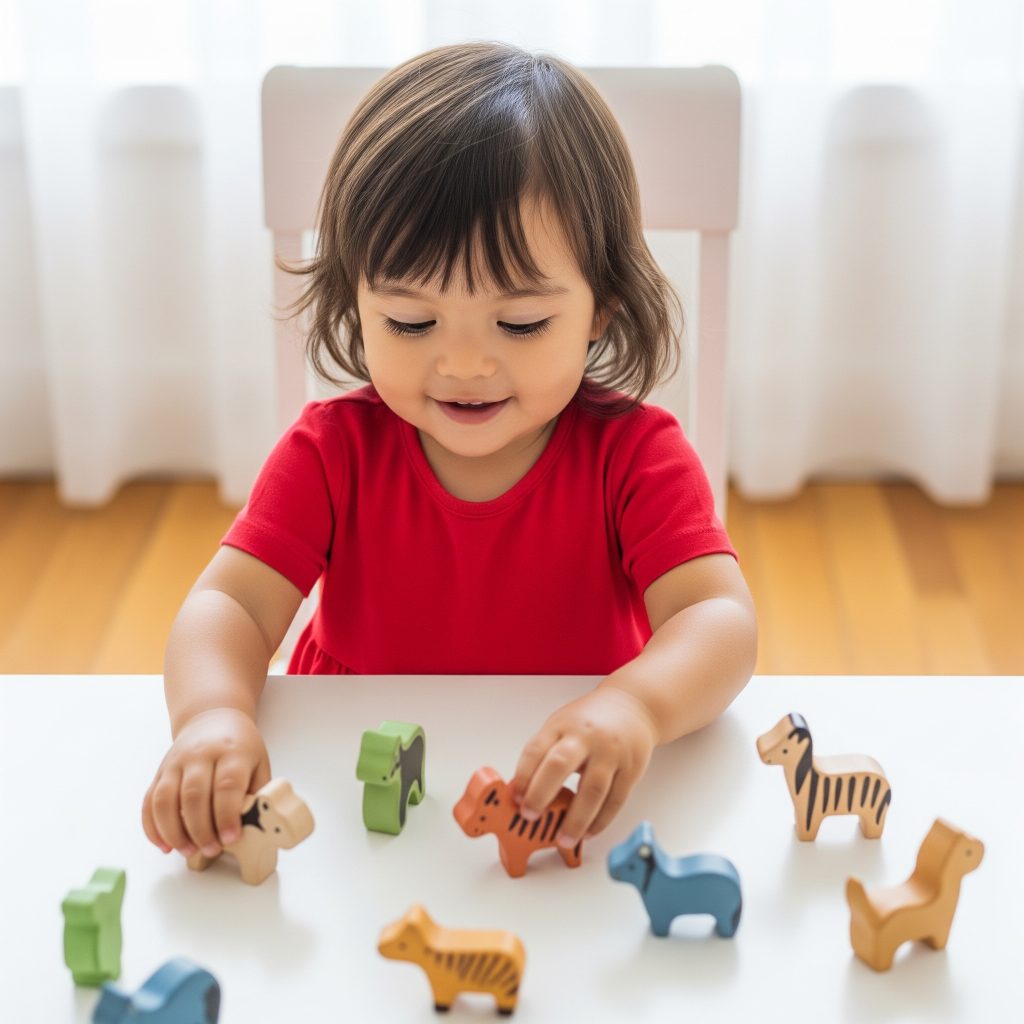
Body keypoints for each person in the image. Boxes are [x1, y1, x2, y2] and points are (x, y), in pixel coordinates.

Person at [142, 41, 757, 863]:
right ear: (355, 299)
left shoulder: (635, 455)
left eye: (521, 324)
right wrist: (213, 716)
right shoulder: (331, 453)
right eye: (411, 322)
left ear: (602, 308)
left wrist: (635, 708)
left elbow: (718, 620)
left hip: (563, 791)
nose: (464, 364)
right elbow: (234, 607)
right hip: (354, 803)